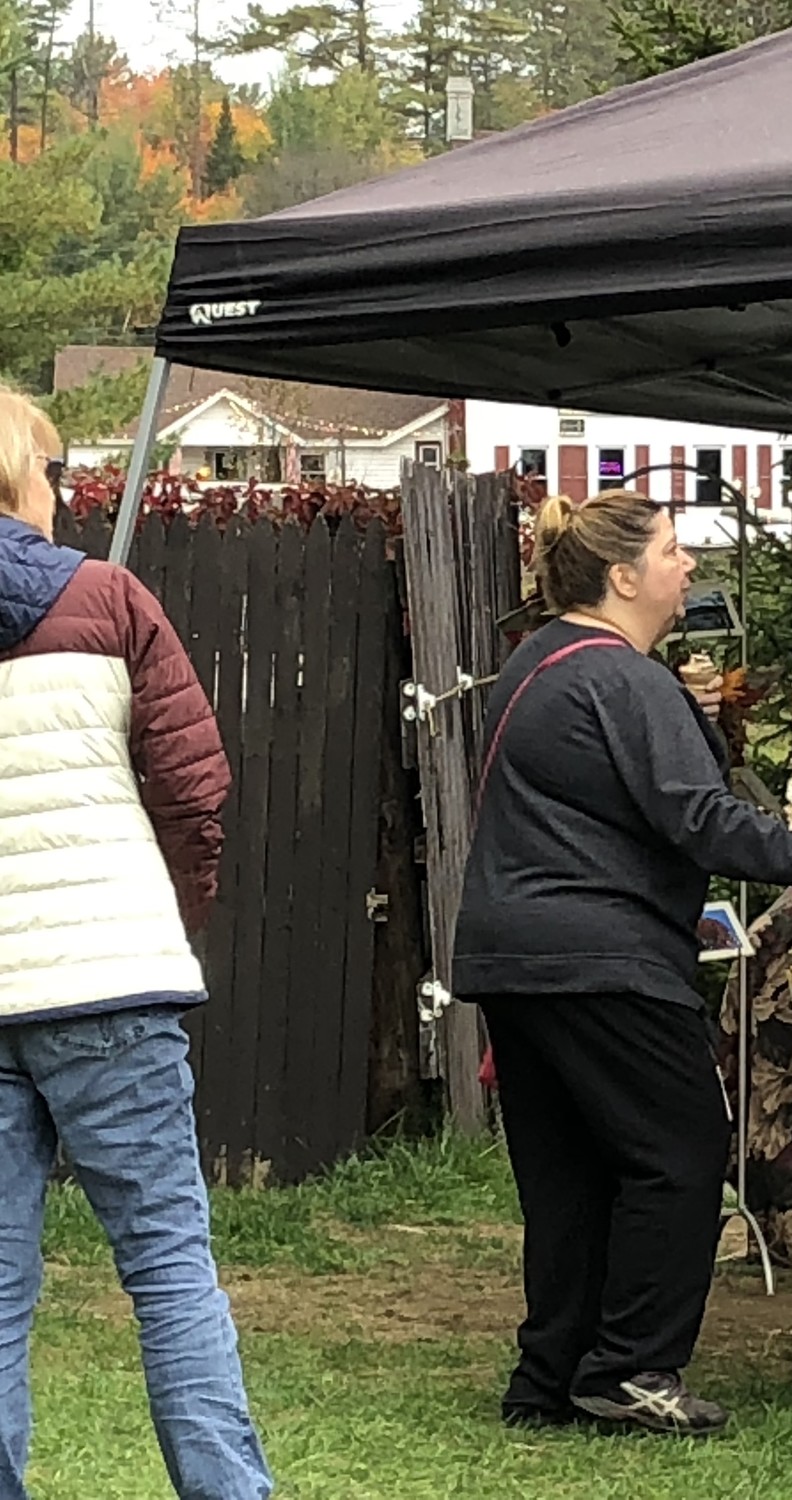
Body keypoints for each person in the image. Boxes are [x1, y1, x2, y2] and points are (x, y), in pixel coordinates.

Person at [455, 488, 792, 1438]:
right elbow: (700, 818)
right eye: (671, 551)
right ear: (623, 577)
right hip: (602, 956)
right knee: (680, 1152)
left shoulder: (542, 661)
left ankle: (552, 1377)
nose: (687, 564)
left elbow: (632, 789)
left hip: (512, 954)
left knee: (570, 1174)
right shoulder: (623, 679)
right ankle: (632, 1371)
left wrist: (686, 713)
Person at [0, 388, 273, 1499]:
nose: (61, 494)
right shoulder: (108, 600)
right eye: (53, 473)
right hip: (113, 975)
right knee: (166, 1267)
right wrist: (168, 917)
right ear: (19, 478)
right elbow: (193, 791)